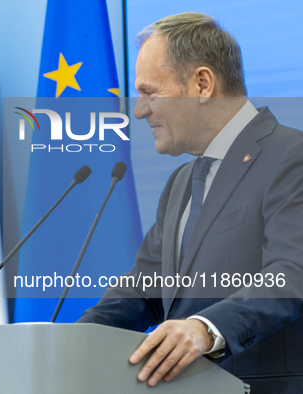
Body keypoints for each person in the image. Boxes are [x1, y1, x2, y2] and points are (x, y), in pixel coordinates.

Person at [78, 12, 303, 393]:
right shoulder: (181, 183)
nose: (139, 110)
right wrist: (63, 340)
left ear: (202, 83)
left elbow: (291, 273)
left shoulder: (291, 157)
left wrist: (204, 329)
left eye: (149, 93)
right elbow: (144, 289)